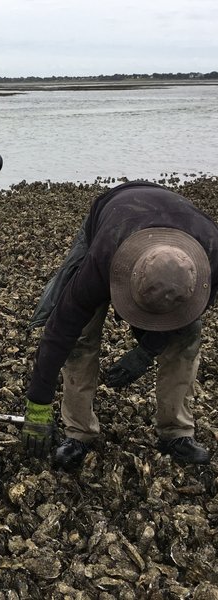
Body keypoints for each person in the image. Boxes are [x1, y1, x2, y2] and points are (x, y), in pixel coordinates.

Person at [22, 181, 218, 470]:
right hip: (112, 218)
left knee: (187, 337)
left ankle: (176, 432)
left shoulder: (213, 256)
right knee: (82, 335)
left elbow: (187, 316)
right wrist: (37, 405)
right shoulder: (102, 257)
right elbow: (61, 330)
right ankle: (78, 432)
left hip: (177, 221)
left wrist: (146, 351)